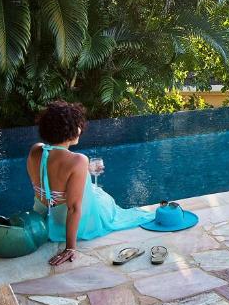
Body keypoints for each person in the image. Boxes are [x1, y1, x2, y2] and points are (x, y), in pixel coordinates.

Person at [27, 101, 150, 265]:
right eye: (77, 125)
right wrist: (70, 247)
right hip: (68, 223)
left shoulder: (36, 150)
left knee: (93, 189)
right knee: (104, 200)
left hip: (43, 217)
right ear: (69, 130)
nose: (80, 129)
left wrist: (84, 171)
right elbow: (74, 208)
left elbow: (50, 175)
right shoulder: (78, 160)